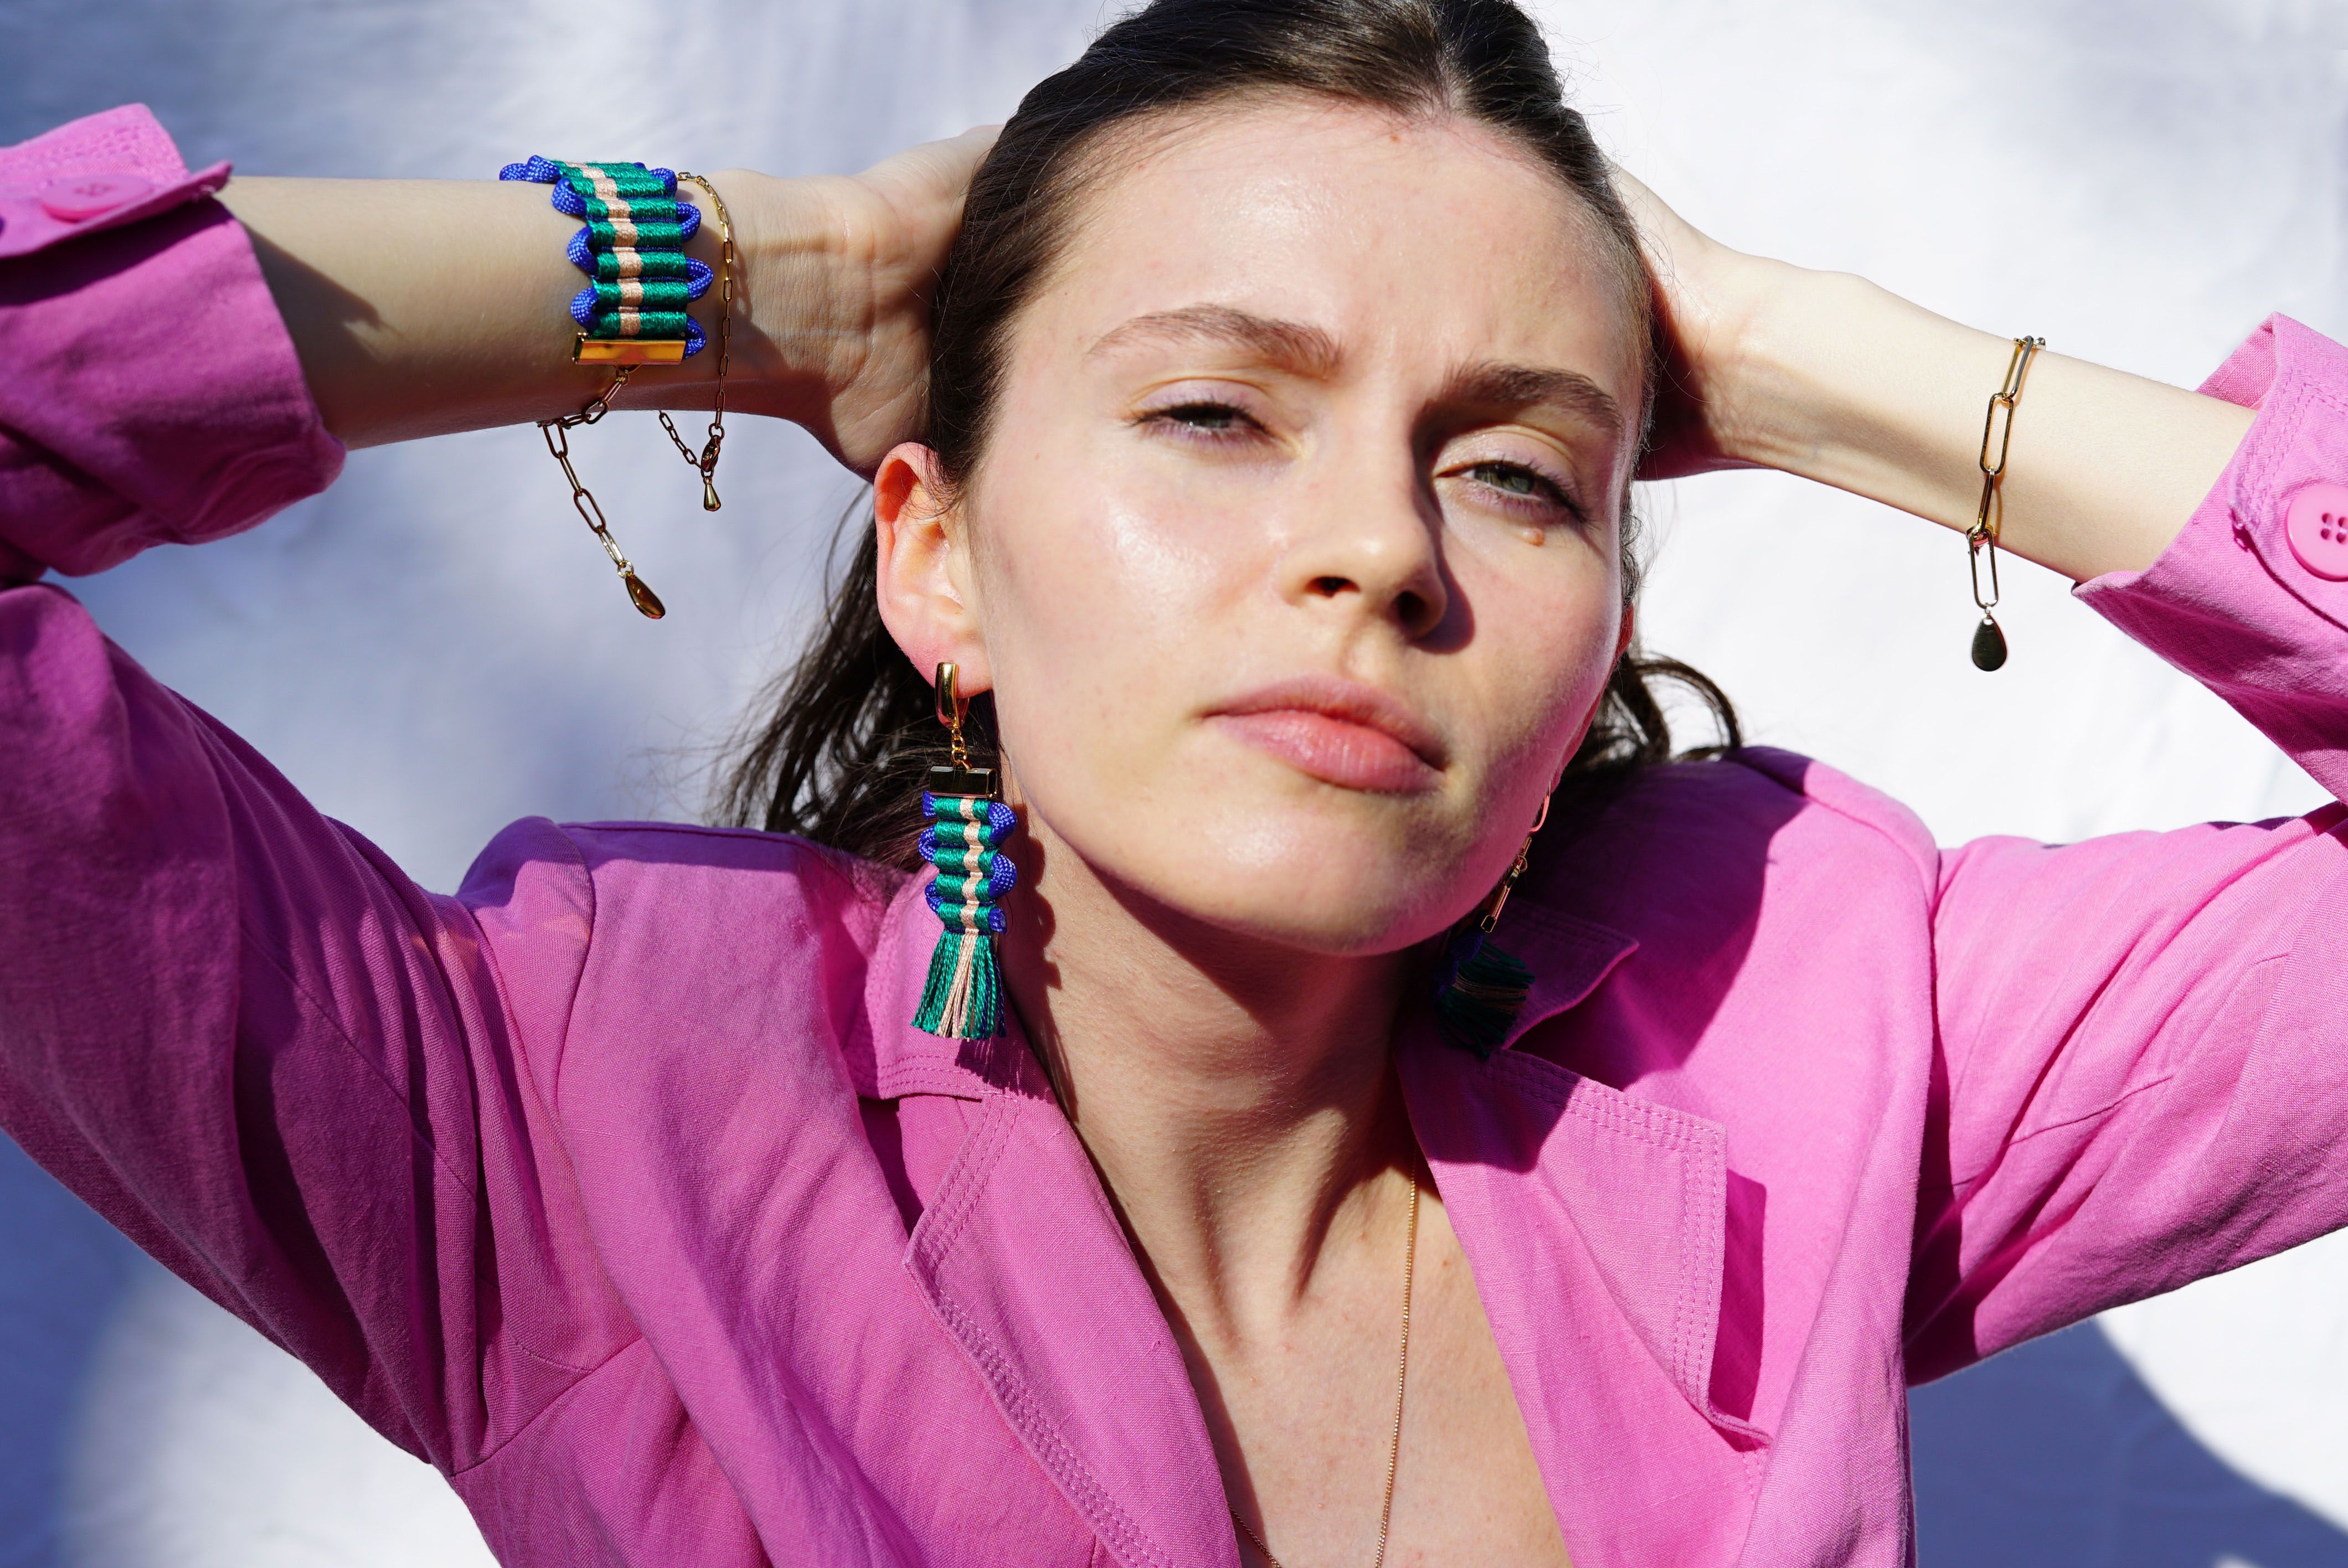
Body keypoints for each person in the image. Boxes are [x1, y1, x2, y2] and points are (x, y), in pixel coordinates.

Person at [2, 1, 2341, 1564]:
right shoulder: (566, 1127)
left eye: (1516, 473)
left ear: (1600, 623)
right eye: (1219, 412)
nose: (1370, 548)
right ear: (935, 557)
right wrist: (752, 274)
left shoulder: (1811, 1046)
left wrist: (1803, 359)